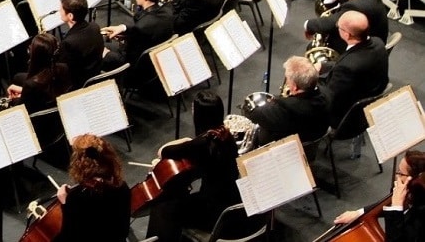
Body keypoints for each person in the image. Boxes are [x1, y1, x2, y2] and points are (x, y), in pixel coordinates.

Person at [146, 90, 241, 242]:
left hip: (214, 213)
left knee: (163, 206)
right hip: (232, 201)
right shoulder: (226, 136)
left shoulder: (202, 144)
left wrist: (187, 143)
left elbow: (165, 152)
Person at [333, 149, 425, 242]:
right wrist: (359, 213)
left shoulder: (420, 217)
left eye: (400, 173)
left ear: (414, 180)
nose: (396, 176)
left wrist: (396, 206)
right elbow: (389, 202)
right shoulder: (417, 190)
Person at [54, 134, 131, 242]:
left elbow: (70, 237)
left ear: (79, 163)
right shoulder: (122, 187)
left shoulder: (77, 198)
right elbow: (123, 232)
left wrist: (65, 204)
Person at [317, 10, 389, 126]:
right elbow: (354, 65)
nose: (337, 28)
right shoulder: (378, 42)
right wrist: (324, 65)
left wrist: (309, 80)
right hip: (368, 92)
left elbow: (331, 97)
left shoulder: (347, 68)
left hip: (345, 116)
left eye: (339, 26)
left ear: (347, 35)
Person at [245, 55, 329, 145]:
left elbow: (254, 114)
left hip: (285, 146)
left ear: (295, 87)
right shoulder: (327, 94)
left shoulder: (284, 110)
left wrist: (273, 102)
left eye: (288, 79)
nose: (287, 82)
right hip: (315, 141)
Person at [100, 0, 174, 70]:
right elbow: (146, 30)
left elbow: (125, 61)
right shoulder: (168, 11)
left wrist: (105, 53)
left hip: (136, 69)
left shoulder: (140, 27)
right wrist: (123, 28)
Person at [6, 33, 71, 113]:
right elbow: (47, 94)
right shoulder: (64, 68)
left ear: (35, 55)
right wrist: (24, 92)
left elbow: (22, 108)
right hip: (60, 108)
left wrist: (13, 99)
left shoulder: (31, 84)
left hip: (42, 118)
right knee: (18, 77)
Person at [57, 0, 104, 89]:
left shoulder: (68, 43)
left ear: (70, 16)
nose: (59, 11)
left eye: (61, 9)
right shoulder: (95, 26)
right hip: (95, 73)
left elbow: (64, 71)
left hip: (79, 84)